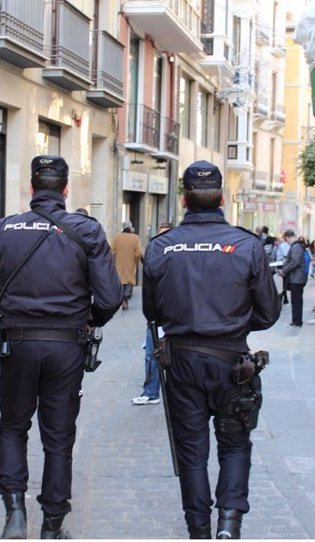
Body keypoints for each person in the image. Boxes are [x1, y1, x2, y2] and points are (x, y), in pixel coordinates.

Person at [0, 155, 123, 539]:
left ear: (31, 188)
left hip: (17, 344)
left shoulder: (2, 230)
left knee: (13, 426)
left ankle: (15, 511)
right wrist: (90, 321)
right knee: (59, 435)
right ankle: (52, 526)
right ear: (66, 190)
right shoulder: (87, 230)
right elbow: (110, 296)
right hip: (67, 345)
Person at [142, 160, 281, 539]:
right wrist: (233, 321)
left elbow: (150, 312)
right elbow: (268, 314)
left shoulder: (160, 247)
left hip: (182, 361)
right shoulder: (247, 245)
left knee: (191, 451)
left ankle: (199, 530)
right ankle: (229, 527)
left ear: (184, 199)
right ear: (222, 197)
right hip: (232, 363)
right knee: (235, 445)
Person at [132, 222, 173, 406]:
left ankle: (175, 395)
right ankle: (151, 392)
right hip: (157, 318)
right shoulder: (154, 256)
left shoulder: (179, 259)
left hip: (176, 319)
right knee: (151, 355)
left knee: (175, 359)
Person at [111, 220, 143, 310]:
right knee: (129, 282)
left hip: (119, 265)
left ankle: (124, 299)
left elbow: (112, 251)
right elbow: (139, 253)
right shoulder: (135, 238)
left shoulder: (117, 237)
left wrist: (115, 260)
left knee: (120, 282)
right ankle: (125, 298)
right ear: (130, 228)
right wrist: (135, 260)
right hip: (130, 264)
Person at [278, 230, 307, 327]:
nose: (287, 242)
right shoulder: (297, 246)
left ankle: (297, 321)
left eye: (286, 240)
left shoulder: (296, 247)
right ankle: (296, 320)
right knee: (295, 300)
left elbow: (294, 262)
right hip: (296, 278)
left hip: (296, 279)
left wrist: (284, 270)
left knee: (296, 300)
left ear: (288, 237)